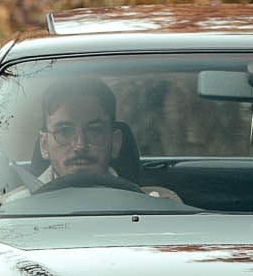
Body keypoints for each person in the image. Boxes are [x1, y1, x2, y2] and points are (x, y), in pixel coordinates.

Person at [33, 76, 178, 200]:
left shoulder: (157, 204)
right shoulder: (20, 207)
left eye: (94, 131)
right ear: (44, 145)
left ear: (115, 142)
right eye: (65, 132)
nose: (80, 145)